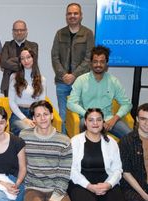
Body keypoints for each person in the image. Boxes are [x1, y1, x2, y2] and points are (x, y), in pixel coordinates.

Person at [67, 45, 132, 139]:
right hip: (88, 118)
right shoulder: (81, 80)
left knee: (132, 138)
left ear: (107, 63)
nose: (98, 65)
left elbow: (127, 104)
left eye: (102, 62)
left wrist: (115, 119)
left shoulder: (113, 81)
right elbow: (71, 103)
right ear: (90, 63)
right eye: (95, 61)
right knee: (82, 126)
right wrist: (87, 114)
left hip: (108, 119)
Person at [51, 3, 94, 134]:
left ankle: (80, 144)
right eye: (69, 13)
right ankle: (64, 144)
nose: (72, 16)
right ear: (66, 16)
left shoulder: (87, 33)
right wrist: (64, 75)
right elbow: (54, 56)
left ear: (81, 16)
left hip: (81, 82)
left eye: (75, 13)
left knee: (80, 115)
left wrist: (74, 75)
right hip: (61, 82)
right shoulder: (60, 33)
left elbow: (89, 57)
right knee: (63, 115)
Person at [8, 47, 45, 136]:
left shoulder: (42, 79)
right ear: (20, 62)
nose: (26, 60)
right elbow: (11, 102)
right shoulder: (14, 77)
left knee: (39, 131)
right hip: (18, 114)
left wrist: (36, 118)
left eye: (28, 57)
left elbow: (41, 103)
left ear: (33, 59)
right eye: (23, 58)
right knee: (24, 130)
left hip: (35, 113)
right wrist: (24, 119)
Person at [0, 20, 38, 97]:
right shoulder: (7, 45)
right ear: (13, 32)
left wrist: (10, 60)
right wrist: (24, 62)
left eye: (22, 30)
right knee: (9, 108)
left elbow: (33, 62)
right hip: (8, 83)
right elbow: (3, 63)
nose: (19, 32)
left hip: (28, 83)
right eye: (16, 30)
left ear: (26, 31)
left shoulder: (33, 46)